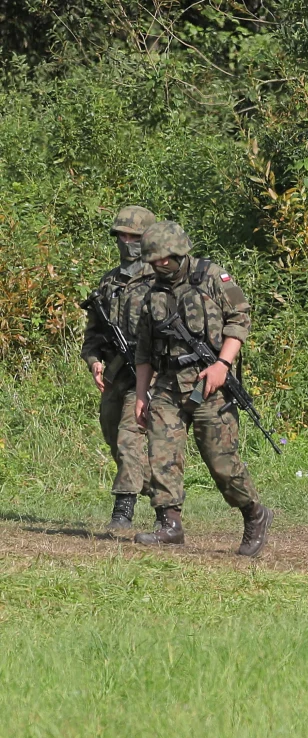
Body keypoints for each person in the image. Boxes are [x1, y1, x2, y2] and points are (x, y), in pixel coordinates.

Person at [132, 220, 274, 556]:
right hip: (168, 384)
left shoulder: (212, 277)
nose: (160, 263)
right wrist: (141, 394)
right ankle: (169, 525)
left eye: (166, 257)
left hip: (211, 383)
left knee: (221, 462)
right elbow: (142, 349)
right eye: (154, 259)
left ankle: (254, 513)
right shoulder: (152, 293)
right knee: (161, 454)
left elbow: (240, 318)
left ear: (180, 251)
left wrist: (222, 365)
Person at [80, 205, 157, 530]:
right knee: (115, 438)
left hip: (148, 375)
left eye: (134, 237)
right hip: (115, 375)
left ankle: (122, 514)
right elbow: (93, 334)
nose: (127, 242)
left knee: (129, 440)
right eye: (121, 236)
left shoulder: (160, 281)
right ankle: (164, 497)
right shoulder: (109, 282)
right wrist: (95, 361)